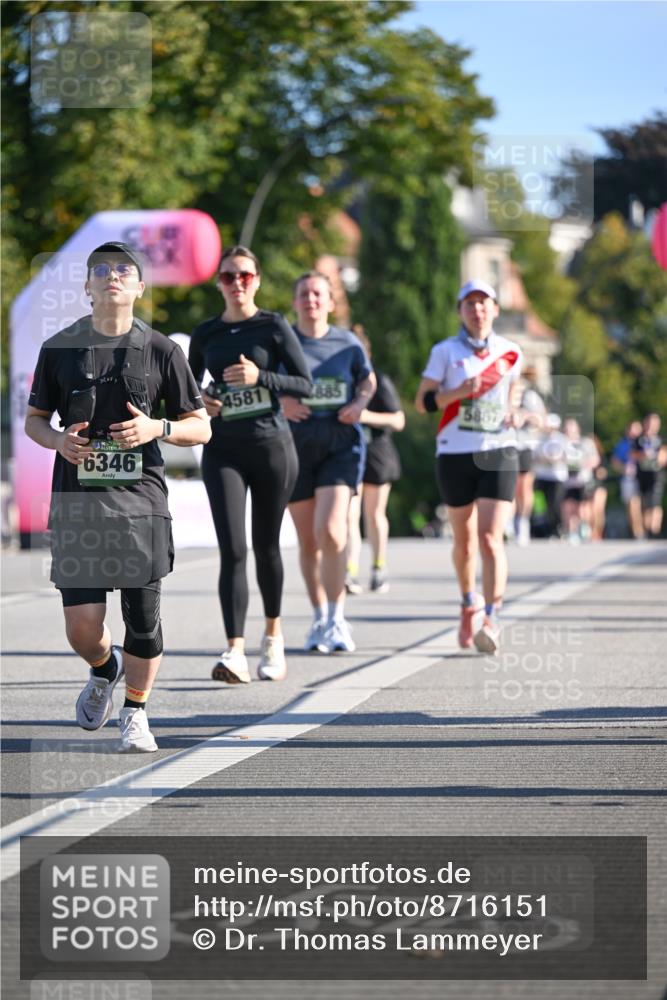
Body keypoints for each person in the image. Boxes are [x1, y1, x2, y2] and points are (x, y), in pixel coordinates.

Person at [25, 241, 211, 752]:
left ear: (139, 287)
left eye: (124, 269)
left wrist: (158, 426)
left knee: (142, 621)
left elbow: (202, 428)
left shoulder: (161, 351)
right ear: (86, 287)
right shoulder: (59, 348)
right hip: (77, 504)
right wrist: (59, 441)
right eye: (102, 269)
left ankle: (136, 712)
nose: (113, 275)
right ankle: (104, 669)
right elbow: (35, 422)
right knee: (83, 629)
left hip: (140, 504)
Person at [188, 246, 312, 684]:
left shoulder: (273, 326)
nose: (236, 283)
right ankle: (235, 649)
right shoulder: (206, 333)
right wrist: (202, 403)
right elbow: (187, 391)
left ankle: (274, 637)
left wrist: (263, 379)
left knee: (266, 546)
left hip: (271, 447)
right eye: (227, 277)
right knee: (233, 550)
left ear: (256, 280)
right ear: (218, 283)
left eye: (243, 276)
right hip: (223, 450)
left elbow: (306, 385)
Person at [415, 279, 521, 654]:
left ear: (495, 308)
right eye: (470, 303)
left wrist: (514, 413)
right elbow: (423, 402)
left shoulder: (511, 352)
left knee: (491, 537)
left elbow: (511, 398)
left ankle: (492, 618)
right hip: (456, 450)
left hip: (498, 449)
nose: (477, 309)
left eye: (484, 303)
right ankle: (467, 602)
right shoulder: (445, 352)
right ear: (460, 310)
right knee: (463, 542)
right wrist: (461, 391)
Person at [283, 272, 375, 653]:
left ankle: (338, 618)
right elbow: (265, 383)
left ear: (331, 302)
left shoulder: (347, 343)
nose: (311, 300)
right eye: (304, 293)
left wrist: (358, 404)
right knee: (308, 540)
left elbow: (367, 381)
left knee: (333, 531)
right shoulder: (283, 341)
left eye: (318, 294)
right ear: (295, 301)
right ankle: (319, 617)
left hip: (339, 444)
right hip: (295, 447)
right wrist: (282, 403)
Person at [345, 325, 405, 595]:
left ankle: (379, 568)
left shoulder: (378, 380)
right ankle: (350, 571)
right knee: (348, 516)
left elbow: (398, 420)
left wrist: (364, 415)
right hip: (348, 452)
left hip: (378, 454)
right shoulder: (341, 381)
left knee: (374, 514)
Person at [510, 369, 546, 546]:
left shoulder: (529, 396)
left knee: (524, 486)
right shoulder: (499, 393)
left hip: (525, 445)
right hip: (505, 445)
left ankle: (522, 521)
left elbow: (542, 420)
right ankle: (507, 523)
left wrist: (525, 417)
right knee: (507, 485)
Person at [560, 418, 600, 543]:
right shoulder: (562, 444)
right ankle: (572, 532)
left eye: (571, 429)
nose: (568, 432)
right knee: (568, 507)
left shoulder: (586, 443)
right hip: (568, 481)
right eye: (566, 429)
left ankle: (584, 527)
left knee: (582, 508)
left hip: (583, 480)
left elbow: (595, 460)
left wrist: (582, 464)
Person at [632, 413, 666, 539]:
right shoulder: (639, 440)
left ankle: (655, 530)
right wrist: (643, 455)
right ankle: (647, 530)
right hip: (642, 475)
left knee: (655, 502)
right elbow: (632, 454)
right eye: (650, 423)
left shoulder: (661, 438)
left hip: (656, 475)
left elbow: (664, 456)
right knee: (645, 503)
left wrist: (660, 457)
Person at [611, 420, 643, 539]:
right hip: (629, 479)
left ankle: (642, 530)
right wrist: (624, 469)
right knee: (633, 504)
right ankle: (636, 531)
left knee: (643, 504)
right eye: (631, 429)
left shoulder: (644, 442)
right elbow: (615, 461)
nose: (633, 432)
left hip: (645, 479)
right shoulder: (623, 444)